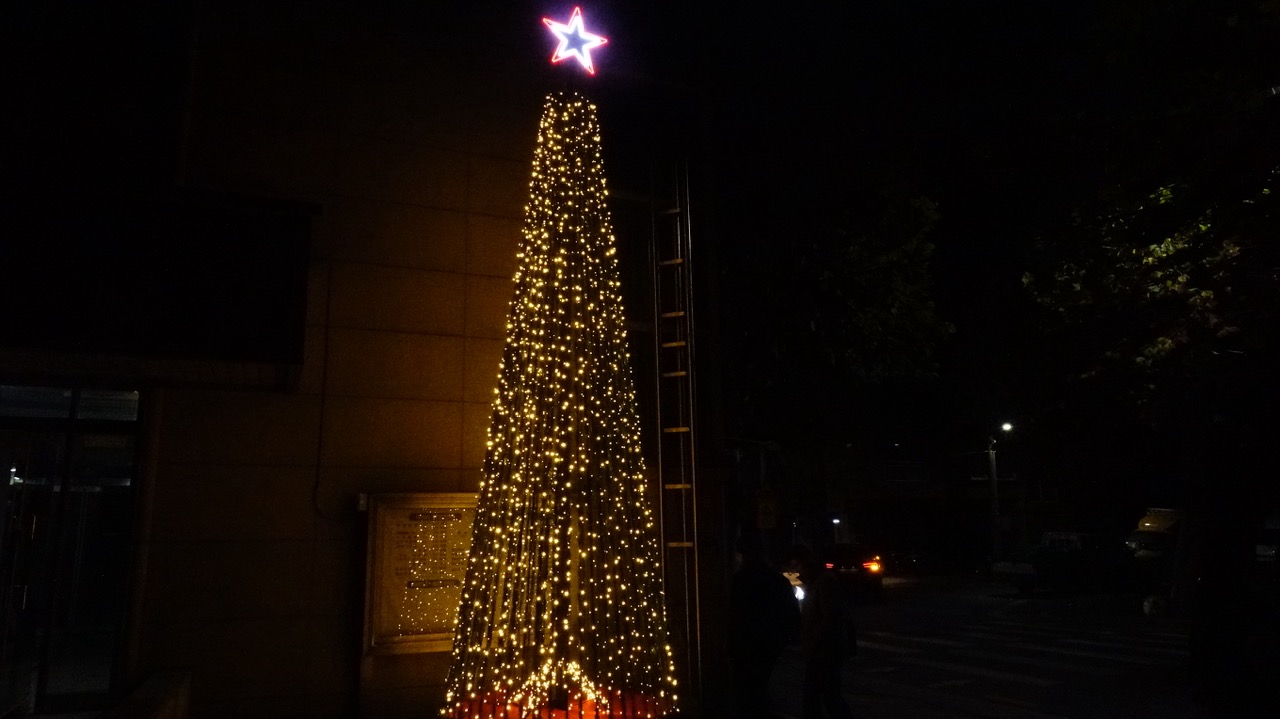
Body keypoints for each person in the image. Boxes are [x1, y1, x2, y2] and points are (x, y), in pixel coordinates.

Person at [729, 529, 801, 719]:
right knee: (759, 687)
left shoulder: (738, 582)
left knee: (747, 691)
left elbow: (731, 615)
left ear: (741, 554)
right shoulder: (777, 581)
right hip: (770, 642)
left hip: (745, 643)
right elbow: (791, 614)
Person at [789, 547, 855, 719]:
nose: (796, 571)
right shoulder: (814, 582)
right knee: (823, 695)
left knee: (824, 696)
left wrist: (813, 641)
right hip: (821, 649)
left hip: (825, 650)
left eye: (797, 566)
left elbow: (830, 618)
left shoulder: (824, 583)